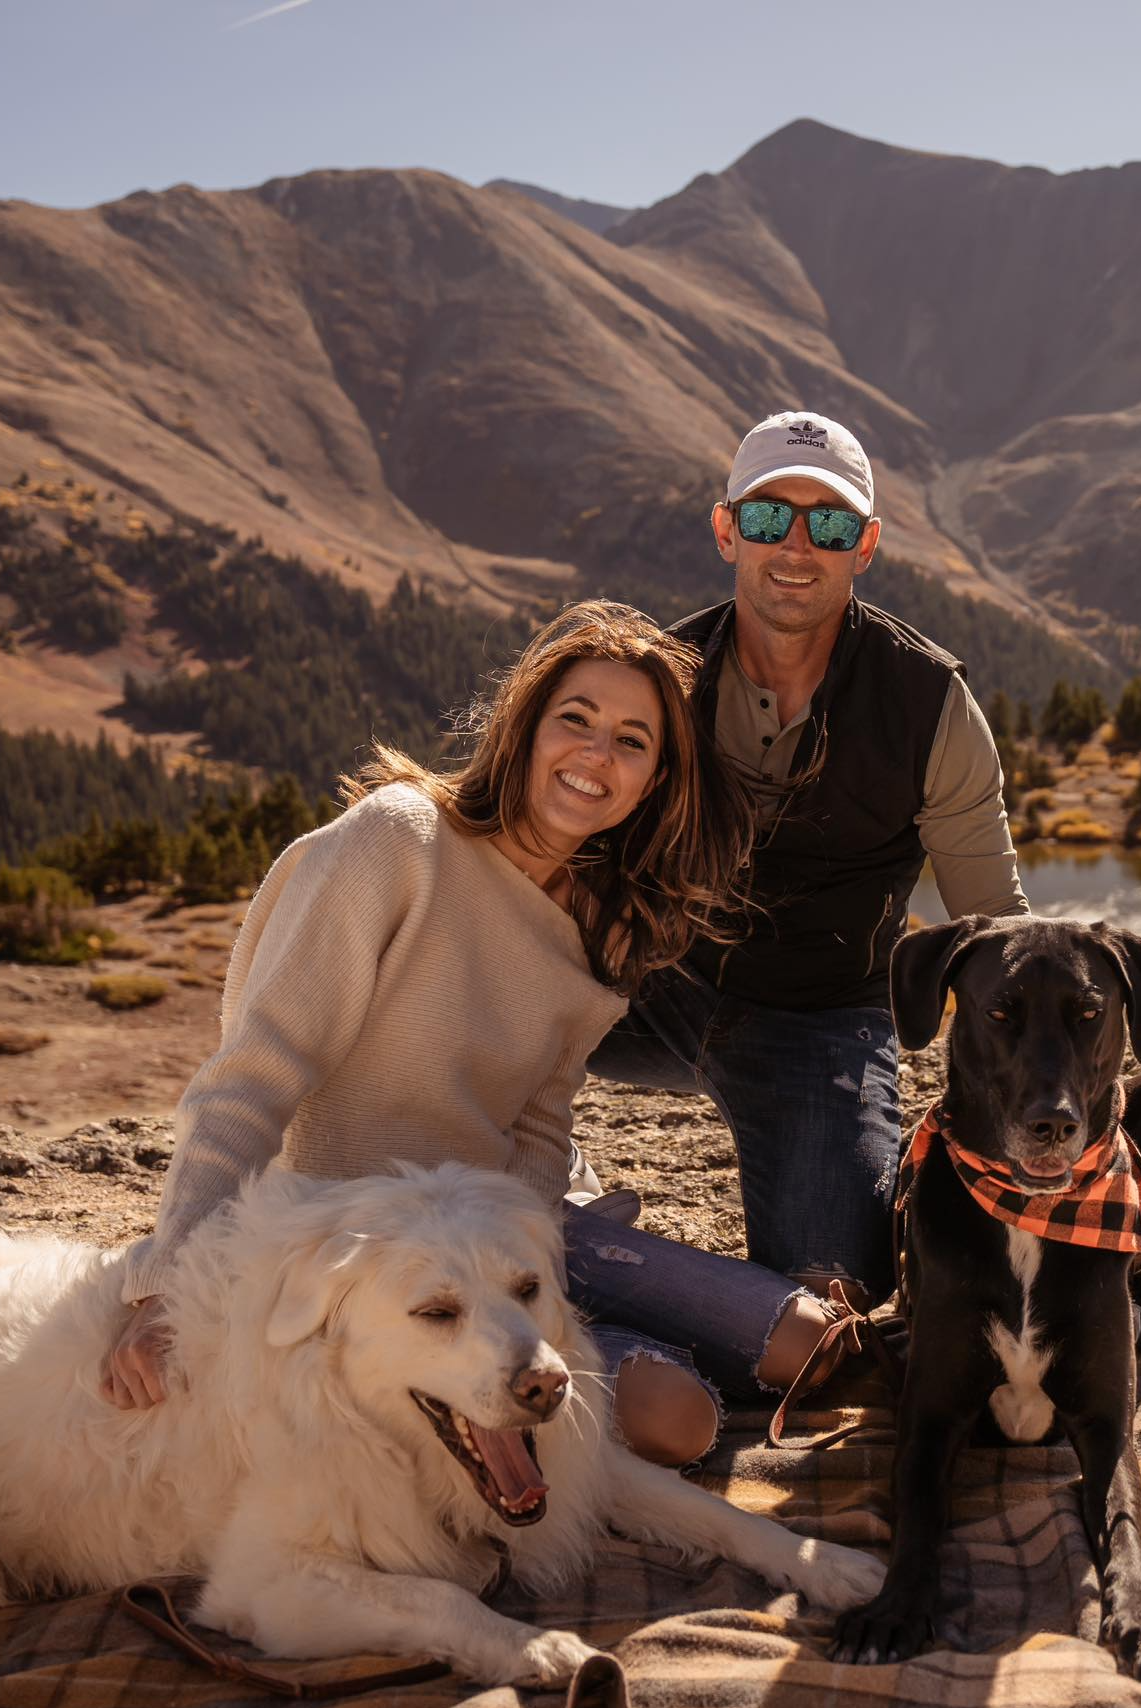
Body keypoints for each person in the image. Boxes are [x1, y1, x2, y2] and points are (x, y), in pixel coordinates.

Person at [103, 601, 846, 1465]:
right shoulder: (399, 842)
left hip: (512, 1233)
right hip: (369, 1246)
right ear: (525, 729)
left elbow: (538, 1128)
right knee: (680, 1424)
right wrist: (166, 1281)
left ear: (656, 780)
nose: (596, 756)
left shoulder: (602, 929)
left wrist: (539, 1290)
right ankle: (648, 1363)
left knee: (810, 1342)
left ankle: (625, 1332)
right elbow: (252, 1077)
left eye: (633, 741)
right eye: (577, 720)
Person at [586, 412, 1030, 1307]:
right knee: (481, 1005)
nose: (795, 545)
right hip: (652, 989)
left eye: (827, 525)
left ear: (863, 546)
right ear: (726, 531)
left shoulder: (930, 705)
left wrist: (1063, 1089)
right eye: (765, 519)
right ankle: (547, 1180)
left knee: (836, 1304)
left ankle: (648, 1284)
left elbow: (996, 930)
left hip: (821, 1023)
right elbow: (560, 839)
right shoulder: (663, 679)